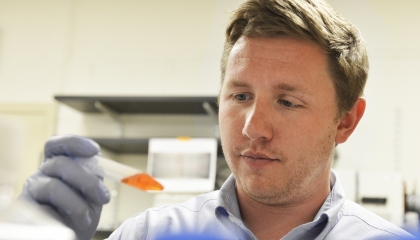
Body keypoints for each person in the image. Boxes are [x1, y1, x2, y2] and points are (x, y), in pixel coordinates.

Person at [20, 0, 415, 239]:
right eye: (241, 96)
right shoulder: (147, 234)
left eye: (288, 102)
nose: (252, 128)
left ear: (345, 121)